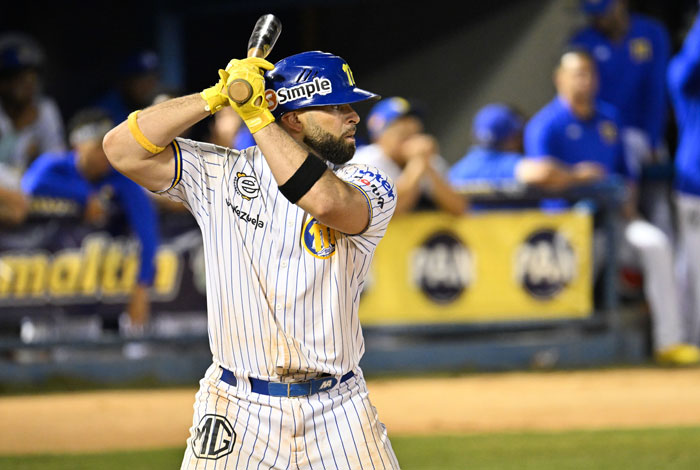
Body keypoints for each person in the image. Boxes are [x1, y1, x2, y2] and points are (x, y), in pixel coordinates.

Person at [103, 51, 400, 469]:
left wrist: (258, 118)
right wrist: (216, 96)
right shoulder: (221, 172)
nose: (353, 115)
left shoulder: (368, 181)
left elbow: (328, 204)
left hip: (339, 407)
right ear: (293, 118)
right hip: (236, 406)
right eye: (336, 105)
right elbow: (121, 149)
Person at [524, 48, 700, 366]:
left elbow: (626, 173)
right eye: (577, 74)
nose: (585, 81)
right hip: (569, 224)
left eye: (590, 74)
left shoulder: (609, 118)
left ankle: (669, 341)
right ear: (560, 79)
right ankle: (561, 347)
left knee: (656, 244)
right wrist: (578, 176)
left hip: (614, 219)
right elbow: (536, 176)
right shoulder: (545, 124)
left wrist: (629, 200)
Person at [22, 108, 159, 353]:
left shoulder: (120, 176)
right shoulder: (55, 166)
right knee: (34, 346)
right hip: (41, 277)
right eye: (98, 146)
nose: (106, 154)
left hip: (87, 281)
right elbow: (31, 185)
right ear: (78, 145)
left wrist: (142, 285)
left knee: (81, 354)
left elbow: (146, 229)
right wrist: (85, 197)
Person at [570, 0, 674, 237]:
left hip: (643, 133)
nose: (598, 19)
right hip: (603, 136)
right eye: (592, 14)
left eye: (602, 11)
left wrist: (654, 138)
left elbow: (657, 90)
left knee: (659, 209)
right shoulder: (583, 40)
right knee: (617, 212)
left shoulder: (651, 32)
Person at [448, 102, 605, 200]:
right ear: (512, 138)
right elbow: (543, 173)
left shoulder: (456, 171)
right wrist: (577, 175)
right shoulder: (505, 163)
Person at [351, 96, 467, 215]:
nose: (409, 126)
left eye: (413, 132)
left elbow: (459, 209)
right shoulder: (364, 162)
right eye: (402, 133)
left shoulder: (429, 160)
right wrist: (417, 164)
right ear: (379, 137)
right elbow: (389, 211)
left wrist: (427, 168)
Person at [0, 32, 66, 224]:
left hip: (32, 191)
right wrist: (17, 132)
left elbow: (56, 161)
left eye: (32, 79)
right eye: (20, 79)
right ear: (3, 83)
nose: (29, 86)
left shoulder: (45, 110)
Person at [667, 8, 700, 352]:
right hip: (696, 185)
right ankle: (689, 340)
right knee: (695, 266)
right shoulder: (685, 75)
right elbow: (692, 61)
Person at [95, 49, 162, 125]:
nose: (150, 86)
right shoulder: (106, 109)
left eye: (153, 79)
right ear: (128, 82)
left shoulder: (158, 100)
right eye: (143, 80)